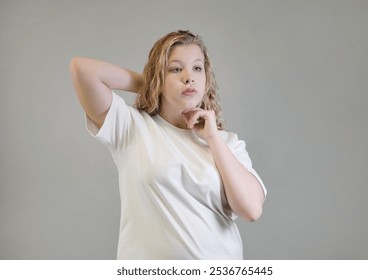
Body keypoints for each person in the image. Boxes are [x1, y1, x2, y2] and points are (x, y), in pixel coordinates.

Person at [69, 30, 266, 259]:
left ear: (206, 79)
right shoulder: (131, 126)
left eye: (197, 68)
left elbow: (251, 210)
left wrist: (213, 139)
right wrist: (156, 83)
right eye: (175, 69)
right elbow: (82, 70)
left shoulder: (228, 143)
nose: (188, 77)